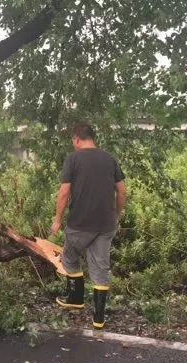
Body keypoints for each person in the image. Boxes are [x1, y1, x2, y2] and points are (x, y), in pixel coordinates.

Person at [50, 123, 127, 329]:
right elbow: (121, 191)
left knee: (69, 257)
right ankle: (99, 319)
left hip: (80, 224)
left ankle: (75, 299)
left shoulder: (73, 159)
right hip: (106, 225)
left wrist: (57, 220)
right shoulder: (109, 159)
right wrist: (116, 214)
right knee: (100, 267)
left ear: (76, 139)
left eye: (73, 141)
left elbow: (64, 192)